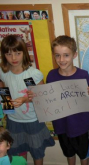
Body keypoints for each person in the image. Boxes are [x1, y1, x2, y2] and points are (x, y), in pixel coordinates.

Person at [0, 35, 55, 165]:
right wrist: (7, 106)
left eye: (18, 53)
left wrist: (25, 100)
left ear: (24, 53)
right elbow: (3, 85)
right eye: (8, 54)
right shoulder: (4, 72)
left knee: (37, 151)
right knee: (17, 150)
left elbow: (39, 96)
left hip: (32, 120)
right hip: (13, 121)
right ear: (3, 55)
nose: (13, 58)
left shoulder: (31, 74)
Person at [46, 35, 89, 165]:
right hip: (62, 125)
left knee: (84, 154)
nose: (61, 60)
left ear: (74, 55)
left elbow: (88, 96)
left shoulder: (83, 75)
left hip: (81, 125)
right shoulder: (51, 75)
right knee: (69, 153)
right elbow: (50, 100)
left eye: (66, 55)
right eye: (57, 55)